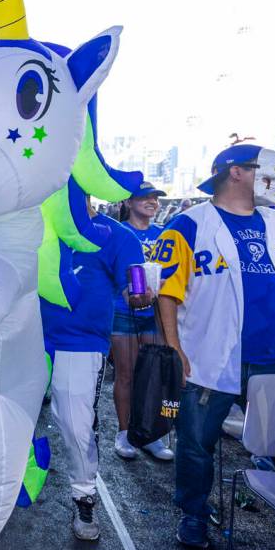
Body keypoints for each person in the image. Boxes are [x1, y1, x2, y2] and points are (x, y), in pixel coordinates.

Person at [153, 144, 275, 548]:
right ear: (236, 172)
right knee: (197, 443)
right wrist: (173, 347)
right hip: (210, 359)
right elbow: (167, 293)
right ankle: (194, 514)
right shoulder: (188, 225)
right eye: (268, 168)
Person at [41, 196, 151, 540]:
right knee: (5, 421)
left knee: (74, 424)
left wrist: (141, 295)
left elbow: (136, 290)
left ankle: (84, 495)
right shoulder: (34, 228)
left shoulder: (119, 237)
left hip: (80, 342)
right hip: (23, 338)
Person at [110, 181, 174, 461]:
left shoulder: (164, 234)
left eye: (155, 198)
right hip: (124, 313)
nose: (152, 202)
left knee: (154, 375)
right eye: (144, 197)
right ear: (128, 202)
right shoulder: (118, 233)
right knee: (126, 374)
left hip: (157, 314)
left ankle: (152, 433)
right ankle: (125, 433)